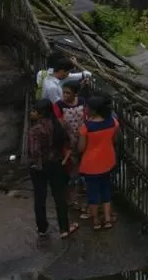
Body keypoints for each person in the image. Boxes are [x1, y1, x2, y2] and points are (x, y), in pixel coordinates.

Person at [26, 97, 79, 238]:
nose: (32, 113)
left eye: (34, 111)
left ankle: (42, 228)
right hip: (56, 164)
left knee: (39, 198)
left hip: (39, 168)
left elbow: (34, 152)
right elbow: (73, 141)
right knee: (59, 197)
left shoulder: (35, 130)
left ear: (40, 113)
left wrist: (36, 163)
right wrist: (66, 157)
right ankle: (64, 229)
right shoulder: (60, 124)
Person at [78, 94, 118, 230]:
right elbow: (114, 139)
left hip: (91, 164)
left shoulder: (86, 127)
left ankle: (96, 221)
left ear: (94, 110)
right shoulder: (113, 122)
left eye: (87, 107)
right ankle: (107, 219)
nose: (85, 109)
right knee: (106, 190)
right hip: (108, 160)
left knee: (92, 193)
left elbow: (81, 147)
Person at [55, 82, 87, 213]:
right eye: (64, 92)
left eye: (68, 93)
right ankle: (71, 197)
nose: (65, 95)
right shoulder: (59, 105)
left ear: (75, 93)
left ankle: (78, 192)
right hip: (68, 141)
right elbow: (61, 123)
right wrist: (70, 138)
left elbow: (86, 118)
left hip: (83, 138)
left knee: (82, 167)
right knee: (71, 168)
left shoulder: (82, 102)